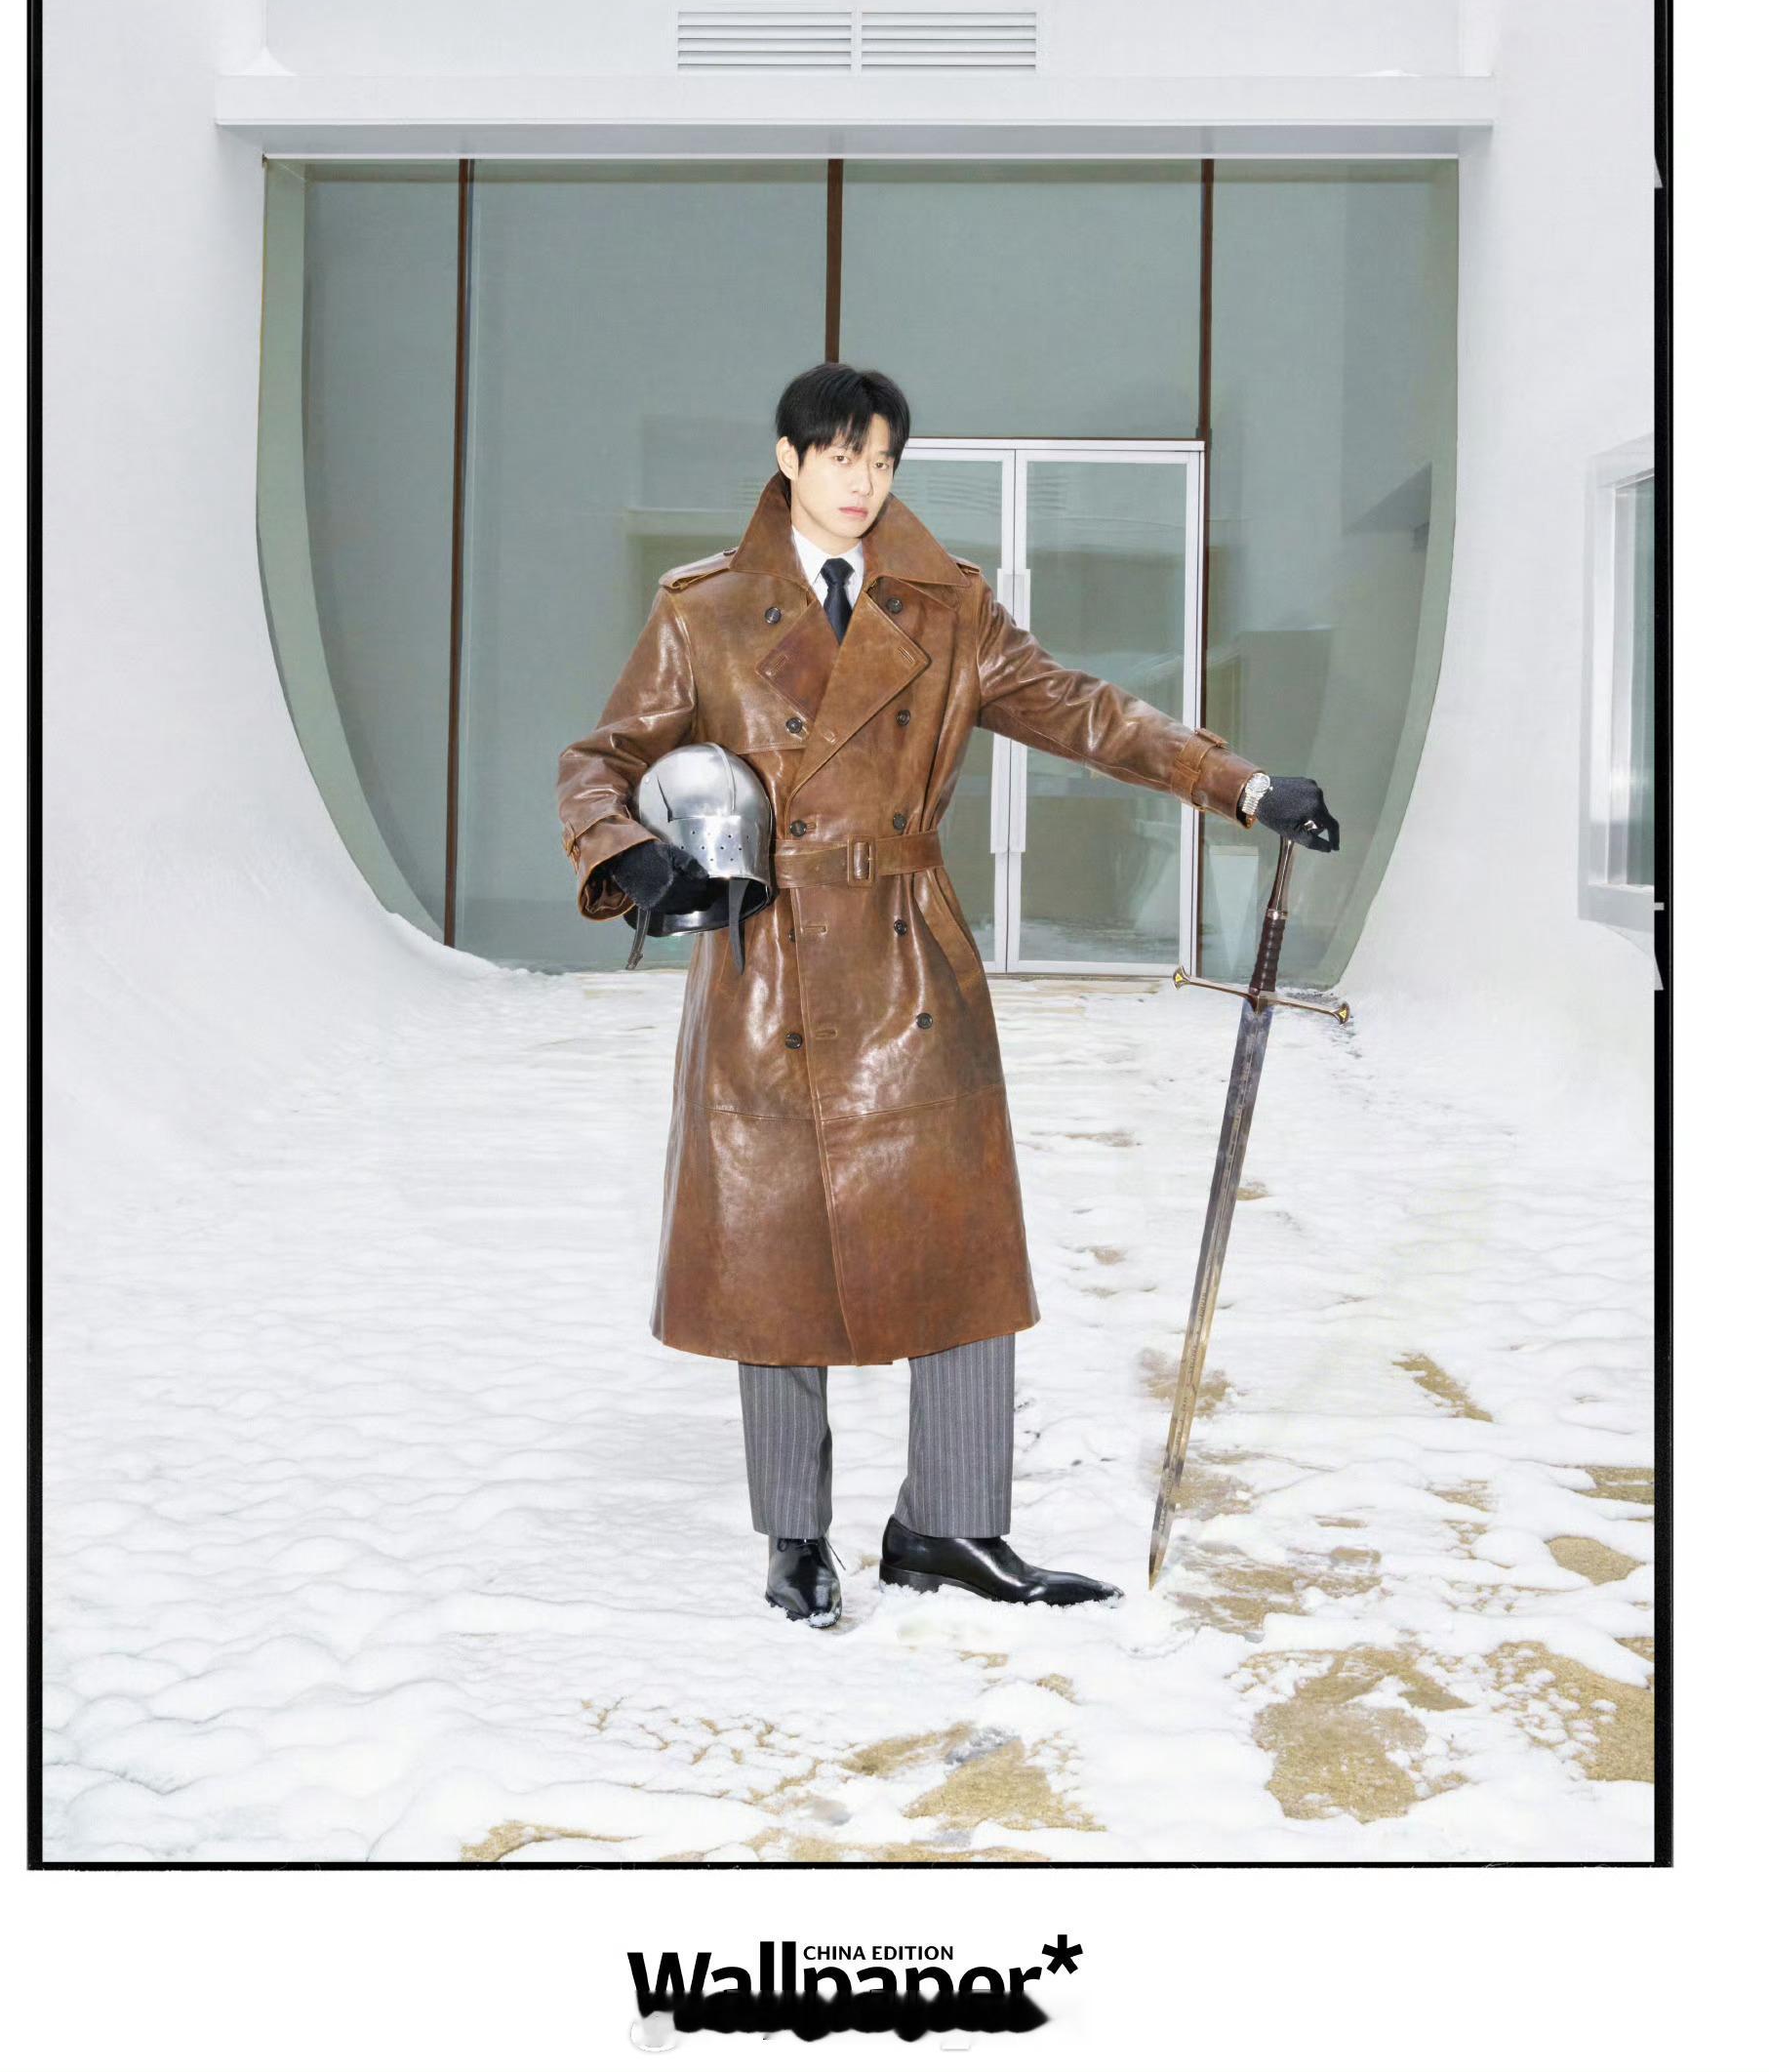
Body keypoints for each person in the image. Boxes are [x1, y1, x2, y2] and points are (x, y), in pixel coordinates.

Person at [555, 363, 1338, 1628]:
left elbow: (1085, 712)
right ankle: (794, 1536)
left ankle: (952, 1526)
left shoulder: (950, 605)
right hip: (765, 960)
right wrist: (629, 853)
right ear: (790, 458)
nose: (863, 484)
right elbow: (602, 758)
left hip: (913, 956)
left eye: (882, 461)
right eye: (840, 457)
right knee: (773, 1256)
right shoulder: (703, 609)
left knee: (962, 1247)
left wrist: (1240, 786)